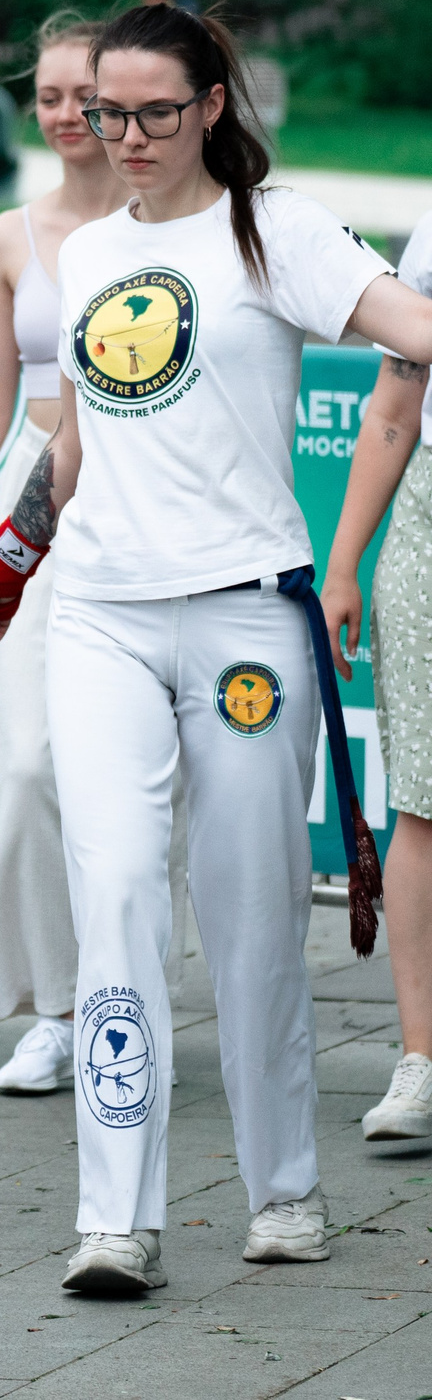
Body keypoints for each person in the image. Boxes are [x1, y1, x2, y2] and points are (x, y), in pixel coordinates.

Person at [0, 2, 432, 1294]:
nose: (131, 136)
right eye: (112, 113)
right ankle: (117, 1214)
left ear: (213, 104)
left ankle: (284, 1187)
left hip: (244, 616)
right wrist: (8, 561)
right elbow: (74, 430)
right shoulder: (92, 251)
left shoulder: (278, 232)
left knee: (251, 906)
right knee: (111, 895)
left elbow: (413, 325)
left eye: (159, 112)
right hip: (102, 611)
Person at [0, 12, 187, 1096]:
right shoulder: (8, 239)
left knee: (132, 781)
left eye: (91, 97)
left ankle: (131, 995)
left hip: (136, 502)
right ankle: (55, 1007)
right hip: (30, 512)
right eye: (53, 98)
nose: (72, 117)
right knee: (26, 766)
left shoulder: (162, 223)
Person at [320, 210, 432, 1143]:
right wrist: (347, 558)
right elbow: (398, 394)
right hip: (428, 522)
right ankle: (421, 1060)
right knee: (424, 801)